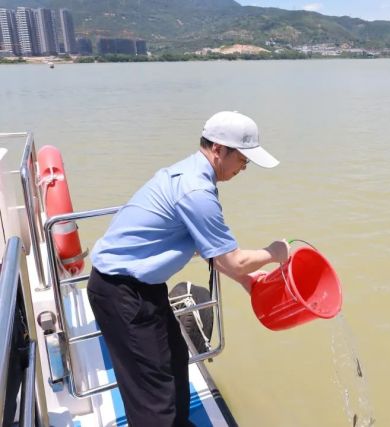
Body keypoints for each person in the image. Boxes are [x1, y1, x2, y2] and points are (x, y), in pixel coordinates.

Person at [87, 111, 290, 426]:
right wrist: (275, 252)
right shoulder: (196, 190)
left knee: (175, 358)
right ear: (219, 149)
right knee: (154, 394)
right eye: (243, 160)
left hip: (143, 288)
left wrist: (247, 280)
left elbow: (209, 249)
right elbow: (231, 258)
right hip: (122, 292)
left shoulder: (194, 175)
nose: (243, 169)